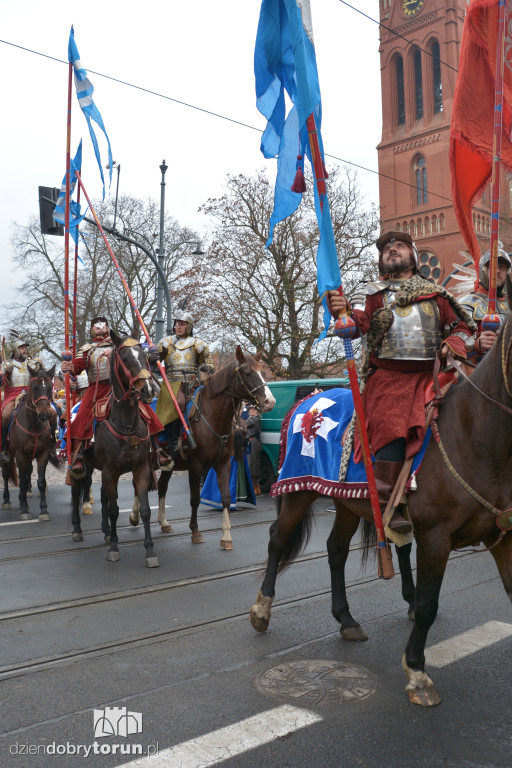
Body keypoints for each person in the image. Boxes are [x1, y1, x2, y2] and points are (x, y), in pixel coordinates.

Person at [328, 231, 476, 534]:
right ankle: (388, 501)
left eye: (399, 246)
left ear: (413, 256)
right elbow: (357, 324)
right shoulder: (370, 293)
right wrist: (342, 315)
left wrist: (453, 343)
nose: (392, 250)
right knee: (392, 420)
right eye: (386, 249)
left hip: (433, 375)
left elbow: (464, 327)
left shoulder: (437, 295)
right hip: (389, 378)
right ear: (381, 261)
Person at [61, 316, 171, 476]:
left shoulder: (119, 346)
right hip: (97, 389)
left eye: (103, 325)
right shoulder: (87, 349)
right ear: (92, 330)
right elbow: (78, 366)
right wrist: (69, 367)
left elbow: (135, 360)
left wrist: (146, 359)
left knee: (147, 412)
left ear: (107, 328)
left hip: (121, 387)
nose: (100, 328)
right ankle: (78, 455)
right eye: (97, 326)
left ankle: (157, 450)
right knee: (82, 416)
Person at [152, 309, 215, 456]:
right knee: (177, 402)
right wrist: (152, 358)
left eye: (182, 324)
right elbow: (153, 366)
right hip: (171, 385)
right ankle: (173, 442)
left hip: (193, 384)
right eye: (177, 324)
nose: (178, 327)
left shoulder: (198, 344)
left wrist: (207, 367)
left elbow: (210, 365)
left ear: (189, 326)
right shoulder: (165, 343)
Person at [459, 246, 511, 360]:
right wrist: (478, 346)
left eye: (502, 267)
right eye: (493, 266)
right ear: (484, 271)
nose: (498, 271)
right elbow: (456, 348)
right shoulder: (467, 304)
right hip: (478, 368)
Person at [0, 338, 45, 462]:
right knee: (5, 415)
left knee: (51, 412)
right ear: (15, 351)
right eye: (21, 348)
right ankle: (3, 448)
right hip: (13, 395)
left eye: (25, 347)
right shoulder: (8, 364)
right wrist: (1, 379)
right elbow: (2, 377)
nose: (25, 350)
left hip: (31, 395)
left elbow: (43, 376)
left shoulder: (32, 363)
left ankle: (51, 444)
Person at [246, 404, 262, 496]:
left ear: (257, 412)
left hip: (253, 443)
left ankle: (254, 488)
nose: (252, 410)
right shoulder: (252, 418)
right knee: (253, 465)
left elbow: (244, 424)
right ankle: (256, 487)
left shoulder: (254, 419)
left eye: (254, 409)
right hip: (253, 442)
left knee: (252, 465)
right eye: (250, 409)